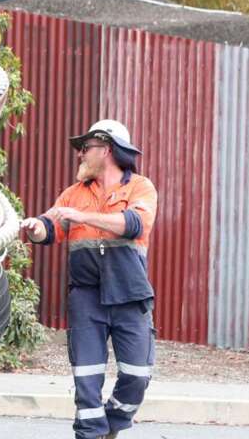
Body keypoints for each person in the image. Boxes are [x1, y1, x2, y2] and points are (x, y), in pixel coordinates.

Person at [21, 120, 158, 439]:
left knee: (137, 374)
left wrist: (82, 217)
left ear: (107, 149)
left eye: (86, 149)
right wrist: (37, 229)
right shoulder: (72, 194)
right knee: (86, 376)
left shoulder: (140, 187)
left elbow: (134, 225)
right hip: (86, 296)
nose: (80, 154)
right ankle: (90, 432)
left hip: (129, 293)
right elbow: (51, 226)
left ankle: (113, 424)